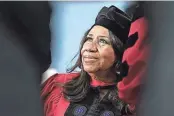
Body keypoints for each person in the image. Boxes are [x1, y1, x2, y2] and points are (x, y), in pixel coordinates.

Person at [41, 5, 138, 116]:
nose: (89, 48)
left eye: (103, 41)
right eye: (89, 39)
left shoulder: (133, 103)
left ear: (119, 52)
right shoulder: (58, 85)